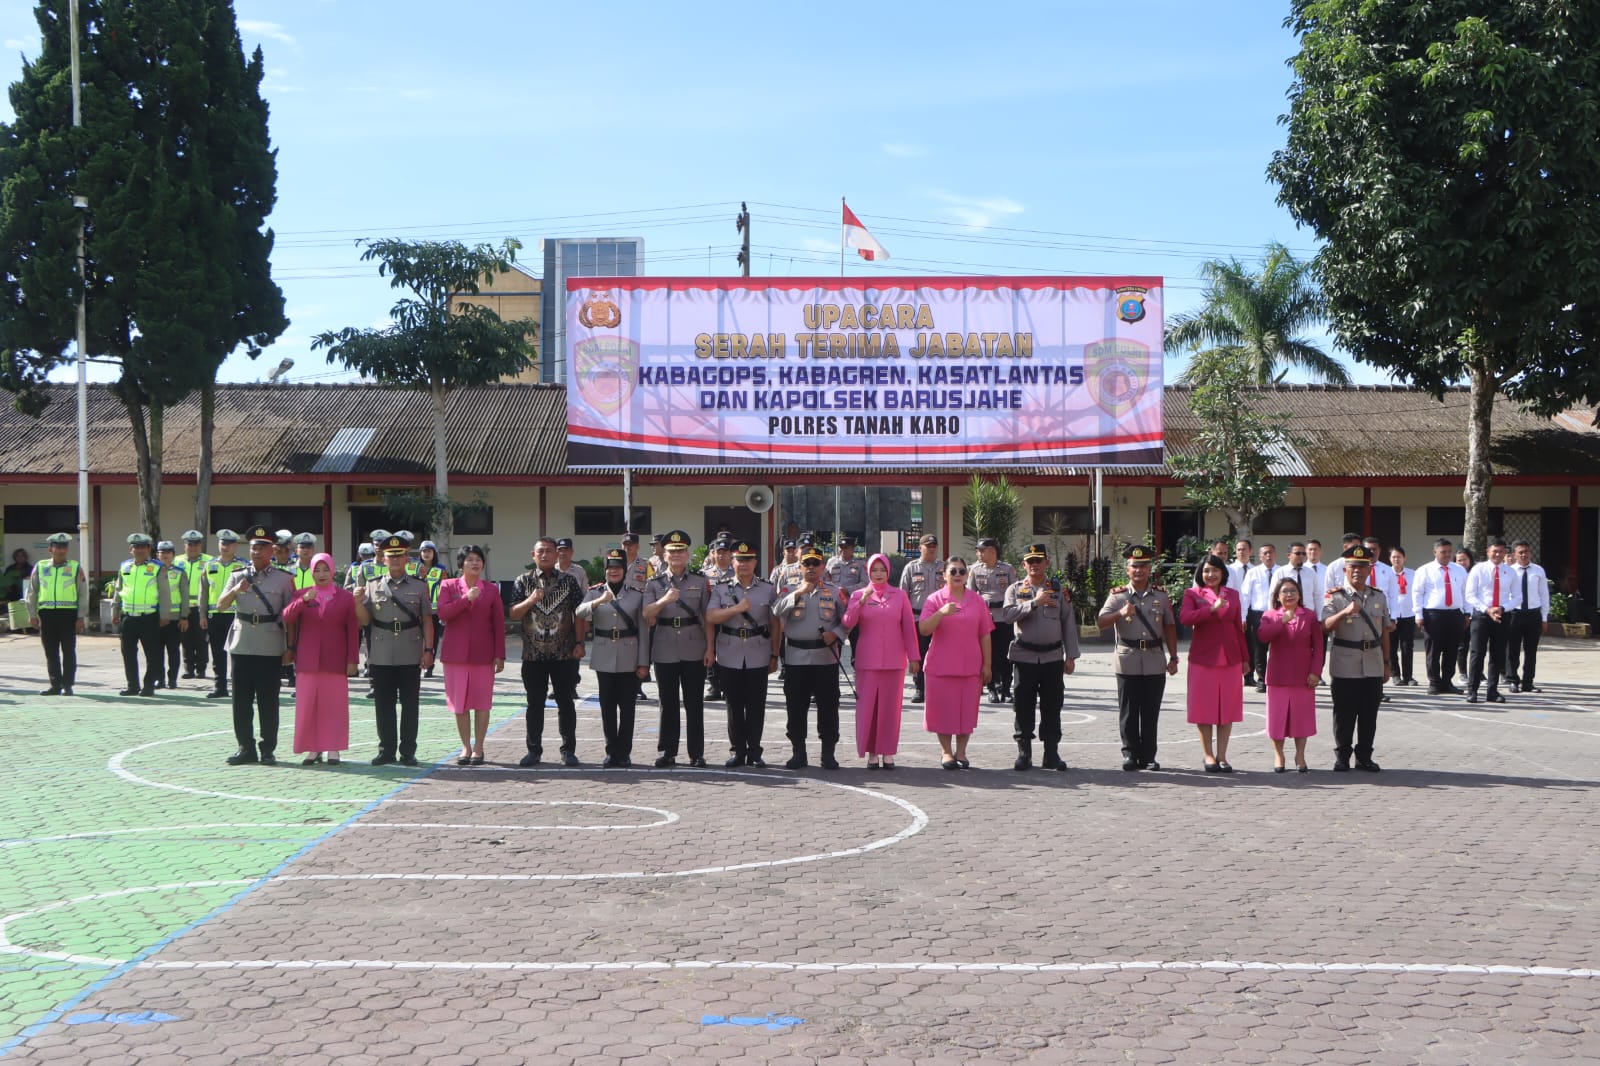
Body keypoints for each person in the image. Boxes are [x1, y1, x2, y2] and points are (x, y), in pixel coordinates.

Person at [217, 527, 296, 765]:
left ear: (272, 550)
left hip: (270, 643)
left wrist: (290, 647)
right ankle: (245, 747)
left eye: (262, 547)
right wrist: (234, 589)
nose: (256, 551)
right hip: (242, 643)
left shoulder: (284, 579)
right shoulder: (236, 575)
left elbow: (290, 617)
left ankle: (267, 748)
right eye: (253, 547)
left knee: (268, 700)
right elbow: (220, 605)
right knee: (240, 700)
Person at [354, 534, 435, 766]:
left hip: (410, 650)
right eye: (391, 556)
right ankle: (386, 750)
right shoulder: (372, 585)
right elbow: (364, 620)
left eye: (400, 555)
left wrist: (428, 650)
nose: (396, 560)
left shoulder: (419, 586)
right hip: (380, 651)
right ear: (383, 559)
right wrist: (356, 603)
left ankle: (408, 751)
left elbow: (427, 620)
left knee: (410, 704)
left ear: (408, 559)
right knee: (383, 704)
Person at [1097, 545, 1179, 771]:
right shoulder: (1118, 595)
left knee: (1151, 711)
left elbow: (1170, 626)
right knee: (1129, 711)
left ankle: (1149, 756)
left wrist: (1173, 657)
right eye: (1135, 566)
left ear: (1150, 568)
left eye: (1143, 566)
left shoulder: (1161, 596)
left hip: (1154, 659)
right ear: (1127, 569)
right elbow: (1101, 621)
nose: (1139, 570)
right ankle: (1130, 754)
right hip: (1127, 659)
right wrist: (1120, 613)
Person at [999, 543, 1079, 771]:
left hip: (1052, 657)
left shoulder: (1059, 590)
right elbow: (1007, 615)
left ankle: (1051, 754)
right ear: (1023, 565)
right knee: (1023, 705)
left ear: (1047, 563)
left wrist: (1071, 656)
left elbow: (1068, 623)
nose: (1034, 565)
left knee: (1052, 705)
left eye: (1038, 560)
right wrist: (1034, 603)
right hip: (1024, 657)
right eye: (1030, 561)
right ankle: (1024, 753)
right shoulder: (1014, 590)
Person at [510, 536, 587, 767]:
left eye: (549, 551)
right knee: (535, 704)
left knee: (566, 702)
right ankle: (533, 750)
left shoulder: (569, 581)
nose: (545, 555)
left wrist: (580, 642)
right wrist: (531, 599)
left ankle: (568, 750)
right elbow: (513, 613)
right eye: (540, 551)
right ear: (533, 555)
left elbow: (580, 613)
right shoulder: (522, 581)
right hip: (533, 655)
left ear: (557, 555)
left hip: (564, 654)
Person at [842, 552, 920, 770]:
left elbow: (908, 628)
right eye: (874, 570)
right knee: (869, 708)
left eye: (882, 570)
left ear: (888, 572)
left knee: (890, 710)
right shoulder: (859, 594)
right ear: (868, 572)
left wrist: (914, 657)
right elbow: (848, 622)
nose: (878, 574)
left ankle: (887, 752)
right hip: (867, 661)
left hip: (894, 662)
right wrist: (862, 601)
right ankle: (872, 752)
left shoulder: (899, 595)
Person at [773, 544, 848, 769]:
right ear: (800, 566)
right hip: (796, 659)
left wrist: (835, 634)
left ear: (823, 566)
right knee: (796, 708)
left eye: (816, 563)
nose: (811, 567)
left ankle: (828, 753)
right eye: (807, 563)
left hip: (825, 658)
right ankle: (799, 752)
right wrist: (799, 592)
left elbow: (848, 622)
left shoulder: (835, 592)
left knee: (828, 707)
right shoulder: (788, 589)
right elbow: (776, 611)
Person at [707, 541, 780, 767]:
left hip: (758, 651)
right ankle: (737, 751)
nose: (744, 564)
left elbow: (775, 624)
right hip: (729, 651)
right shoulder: (721, 588)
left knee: (756, 705)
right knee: (734, 705)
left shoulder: (768, 589)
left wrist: (775, 654)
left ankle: (755, 751)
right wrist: (736, 609)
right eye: (740, 559)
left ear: (755, 562)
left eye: (748, 560)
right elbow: (710, 617)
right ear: (732, 561)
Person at [282, 553, 359, 765]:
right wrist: (302, 601)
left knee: (334, 707)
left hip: (335, 660)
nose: (321, 574)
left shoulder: (345, 597)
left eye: (326, 569)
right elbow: (287, 617)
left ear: (333, 571)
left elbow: (352, 630)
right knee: (309, 706)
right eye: (317, 570)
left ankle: (333, 748)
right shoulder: (302, 594)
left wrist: (353, 659)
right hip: (307, 660)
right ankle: (312, 748)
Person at [644, 530, 712, 768]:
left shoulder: (700, 581)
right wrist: (664, 600)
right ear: (664, 555)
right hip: (664, 647)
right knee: (668, 702)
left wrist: (710, 648)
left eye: (680, 551)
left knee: (694, 703)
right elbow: (646, 613)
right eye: (672, 551)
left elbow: (707, 617)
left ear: (688, 554)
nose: (676, 555)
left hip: (694, 645)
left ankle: (696, 753)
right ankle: (667, 751)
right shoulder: (654, 583)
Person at [1322, 544, 1394, 771]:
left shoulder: (1378, 597)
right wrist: (1344, 612)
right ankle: (1342, 755)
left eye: (1363, 567)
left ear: (1369, 570)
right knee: (1344, 714)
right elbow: (1324, 627)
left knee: (1369, 714)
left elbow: (1384, 632)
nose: (1358, 571)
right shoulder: (1335, 597)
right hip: (1345, 663)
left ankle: (1364, 756)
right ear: (1345, 570)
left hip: (1373, 662)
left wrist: (1386, 663)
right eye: (1353, 567)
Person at [919, 556, 994, 770]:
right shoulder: (934, 599)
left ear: (967, 574)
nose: (958, 575)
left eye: (962, 571)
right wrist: (941, 613)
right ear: (944, 575)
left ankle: (961, 751)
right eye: (953, 571)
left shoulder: (977, 600)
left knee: (966, 711)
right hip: (940, 666)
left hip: (970, 666)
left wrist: (987, 664)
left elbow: (985, 634)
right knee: (943, 711)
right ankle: (946, 752)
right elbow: (924, 629)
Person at [578, 549, 651, 767]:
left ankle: (624, 752)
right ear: (606, 571)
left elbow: (644, 631)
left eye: (618, 568)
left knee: (627, 707)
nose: (614, 572)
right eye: (610, 568)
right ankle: (611, 750)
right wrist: (599, 601)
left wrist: (644, 662)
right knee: (607, 707)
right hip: (604, 655)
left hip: (630, 654)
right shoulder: (595, 592)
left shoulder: (637, 594)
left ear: (624, 570)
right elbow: (579, 613)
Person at [437, 545, 506, 765]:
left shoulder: (492, 590)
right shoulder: (448, 585)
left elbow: (498, 624)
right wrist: (466, 598)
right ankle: (465, 746)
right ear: (461, 565)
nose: (475, 563)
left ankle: (479, 747)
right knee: (460, 704)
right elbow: (444, 613)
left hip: (483, 655)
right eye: (470, 560)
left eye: (478, 559)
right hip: (455, 656)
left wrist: (499, 654)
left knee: (482, 703)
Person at [1181, 554, 1249, 772]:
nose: (1210, 575)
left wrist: (1245, 658)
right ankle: (1208, 755)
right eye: (1206, 571)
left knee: (1226, 709)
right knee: (1204, 709)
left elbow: (1238, 628)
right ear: (1200, 574)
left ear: (1223, 573)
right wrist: (1209, 609)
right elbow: (1185, 618)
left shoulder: (1234, 595)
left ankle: (1222, 755)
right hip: (1203, 658)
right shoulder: (1193, 594)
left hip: (1230, 658)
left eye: (1215, 571)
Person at [1255, 577, 1324, 772]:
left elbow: (1318, 646)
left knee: (1302, 719)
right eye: (1284, 591)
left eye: (1293, 591)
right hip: (1278, 676)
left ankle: (1300, 754)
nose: (1289, 594)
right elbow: (1263, 636)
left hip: (1303, 677)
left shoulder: (1309, 616)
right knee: (1277, 719)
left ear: (1300, 595)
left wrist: (1315, 672)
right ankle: (1279, 754)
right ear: (1277, 596)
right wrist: (1281, 620)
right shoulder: (1270, 615)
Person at [111, 533, 174, 697]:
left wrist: (165, 615)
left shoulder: (157, 567)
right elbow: (118, 590)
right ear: (130, 549)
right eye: (136, 547)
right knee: (128, 653)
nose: (139, 550)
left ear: (149, 549)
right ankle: (132, 685)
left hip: (149, 617)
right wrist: (115, 610)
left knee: (152, 654)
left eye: (143, 547)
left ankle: (148, 686)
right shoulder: (125, 566)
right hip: (128, 617)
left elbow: (165, 593)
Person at [25, 532, 88, 695]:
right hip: (47, 615)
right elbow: (32, 592)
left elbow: (83, 593)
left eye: (64, 547)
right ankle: (55, 684)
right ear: (50, 549)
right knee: (50, 652)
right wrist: (32, 614)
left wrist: (81, 616)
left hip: (68, 615)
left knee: (68, 651)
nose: (62, 550)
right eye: (58, 547)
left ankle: (68, 685)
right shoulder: (40, 566)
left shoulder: (75, 567)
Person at [1411, 538, 1469, 695]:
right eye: (1443, 552)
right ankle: (1434, 682)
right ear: (1435, 552)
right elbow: (1417, 593)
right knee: (1434, 650)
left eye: (1449, 552)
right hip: (1433, 614)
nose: (1447, 555)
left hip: (1455, 614)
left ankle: (1447, 681)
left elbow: (1465, 593)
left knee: (1451, 650)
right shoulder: (1424, 570)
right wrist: (1418, 614)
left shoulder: (1459, 570)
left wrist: (1466, 612)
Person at [1465, 539, 1520, 704]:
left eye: (1501, 551)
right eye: (1494, 551)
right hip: (1482, 616)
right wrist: (1487, 609)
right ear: (1488, 552)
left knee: (1497, 655)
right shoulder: (1478, 569)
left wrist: (1502, 608)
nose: (1497, 554)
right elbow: (1470, 595)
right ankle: (1472, 690)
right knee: (1477, 653)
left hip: (1502, 616)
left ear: (1505, 553)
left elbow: (1517, 596)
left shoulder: (1510, 572)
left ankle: (1492, 690)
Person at [199, 531, 247, 699]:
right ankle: (220, 687)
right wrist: (202, 614)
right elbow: (203, 592)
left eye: (229, 544)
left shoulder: (244, 566)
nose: (225, 547)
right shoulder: (209, 565)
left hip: (236, 615)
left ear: (235, 546)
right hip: (215, 615)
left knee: (237, 653)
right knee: (217, 653)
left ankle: (238, 686)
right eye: (222, 543)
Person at [969, 537, 1016, 704]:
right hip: (984, 620)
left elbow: (1015, 592)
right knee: (988, 655)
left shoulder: (1007, 569)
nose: (979, 554)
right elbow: (970, 595)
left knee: (1005, 654)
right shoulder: (974, 570)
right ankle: (991, 689)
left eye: (983, 550)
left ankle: (1006, 689)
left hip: (1004, 618)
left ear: (993, 551)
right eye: (978, 551)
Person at [899, 534, 943, 703]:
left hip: (940, 619)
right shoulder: (911, 568)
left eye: (934, 545)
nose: (931, 548)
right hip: (917, 617)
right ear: (920, 548)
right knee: (919, 654)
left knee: (939, 653)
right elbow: (903, 594)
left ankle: (937, 687)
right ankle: (920, 688)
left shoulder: (944, 567)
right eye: (928, 546)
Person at [1506, 540, 1550, 693]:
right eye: (1520, 552)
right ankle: (1512, 680)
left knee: (1531, 651)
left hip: (1533, 614)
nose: (1524, 555)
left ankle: (1528, 682)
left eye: (1526, 551)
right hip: (1514, 614)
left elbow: (1544, 594)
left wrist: (1544, 617)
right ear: (1514, 554)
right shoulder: (1509, 571)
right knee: (1513, 650)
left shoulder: (1538, 571)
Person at [1240, 543, 1277, 691]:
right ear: (1260, 556)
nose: (1268, 556)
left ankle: (1275, 677)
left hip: (1277, 614)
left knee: (1277, 648)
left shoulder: (1282, 572)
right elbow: (1245, 596)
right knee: (1259, 649)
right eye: (1265, 553)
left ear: (1275, 554)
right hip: (1258, 614)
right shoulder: (1253, 572)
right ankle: (1262, 680)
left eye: (1271, 552)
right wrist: (1243, 617)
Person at [176, 530, 212, 680]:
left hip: (201, 608)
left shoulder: (210, 561)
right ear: (185, 545)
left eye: (196, 544)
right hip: (182, 608)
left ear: (201, 545)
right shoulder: (177, 561)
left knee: (201, 639)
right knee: (186, 639)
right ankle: (188, 668)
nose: (193, 547)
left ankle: (201, 669)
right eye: (190, 544)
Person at [154, 541, 189, 689]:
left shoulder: (179, 572)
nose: (165, 555)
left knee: (173, 651)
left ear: (173, 555)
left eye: (168, 552)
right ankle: (159, 679)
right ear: (157, 554)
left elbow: (185, 596)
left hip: (175, 618)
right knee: (156, 651)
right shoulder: (151, 571)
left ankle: (172, 679)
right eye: (162, 552)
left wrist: (184, 617)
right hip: (155, 617)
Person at [415, 539, 448, 678]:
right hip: (416, 609)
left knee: (432, 639)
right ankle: (416, 664)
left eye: (429, 551)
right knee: (417, 638)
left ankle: (429, 666)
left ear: (434, 553)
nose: (426, 554)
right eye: (423, 551)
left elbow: (445, 588)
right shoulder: (414, 567)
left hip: (434, 611)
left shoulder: (440, 569)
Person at [1388, 546, 1418, 686]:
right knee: (1392, 647)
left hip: (1408, 614)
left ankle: (1408, 676)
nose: (1396, 559)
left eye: (1399, 557)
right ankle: (1395, 674)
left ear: (1404, 558)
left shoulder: (1413, 574)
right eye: (1394, 557)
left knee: (1407, 646)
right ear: (1390, 559)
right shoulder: (1386, 574)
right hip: (1391, 615)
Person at [1453, 547, 1476, 687]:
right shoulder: (1453, 573)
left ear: (1470, 560)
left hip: (1477, 613)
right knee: (1462, 645)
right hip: (1461, 614)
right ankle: (1463, 673)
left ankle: (1478, 672)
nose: (1462, 563)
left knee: (1478, 646)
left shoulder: (1476, 572)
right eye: (1458, 560)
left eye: (1464, 560)